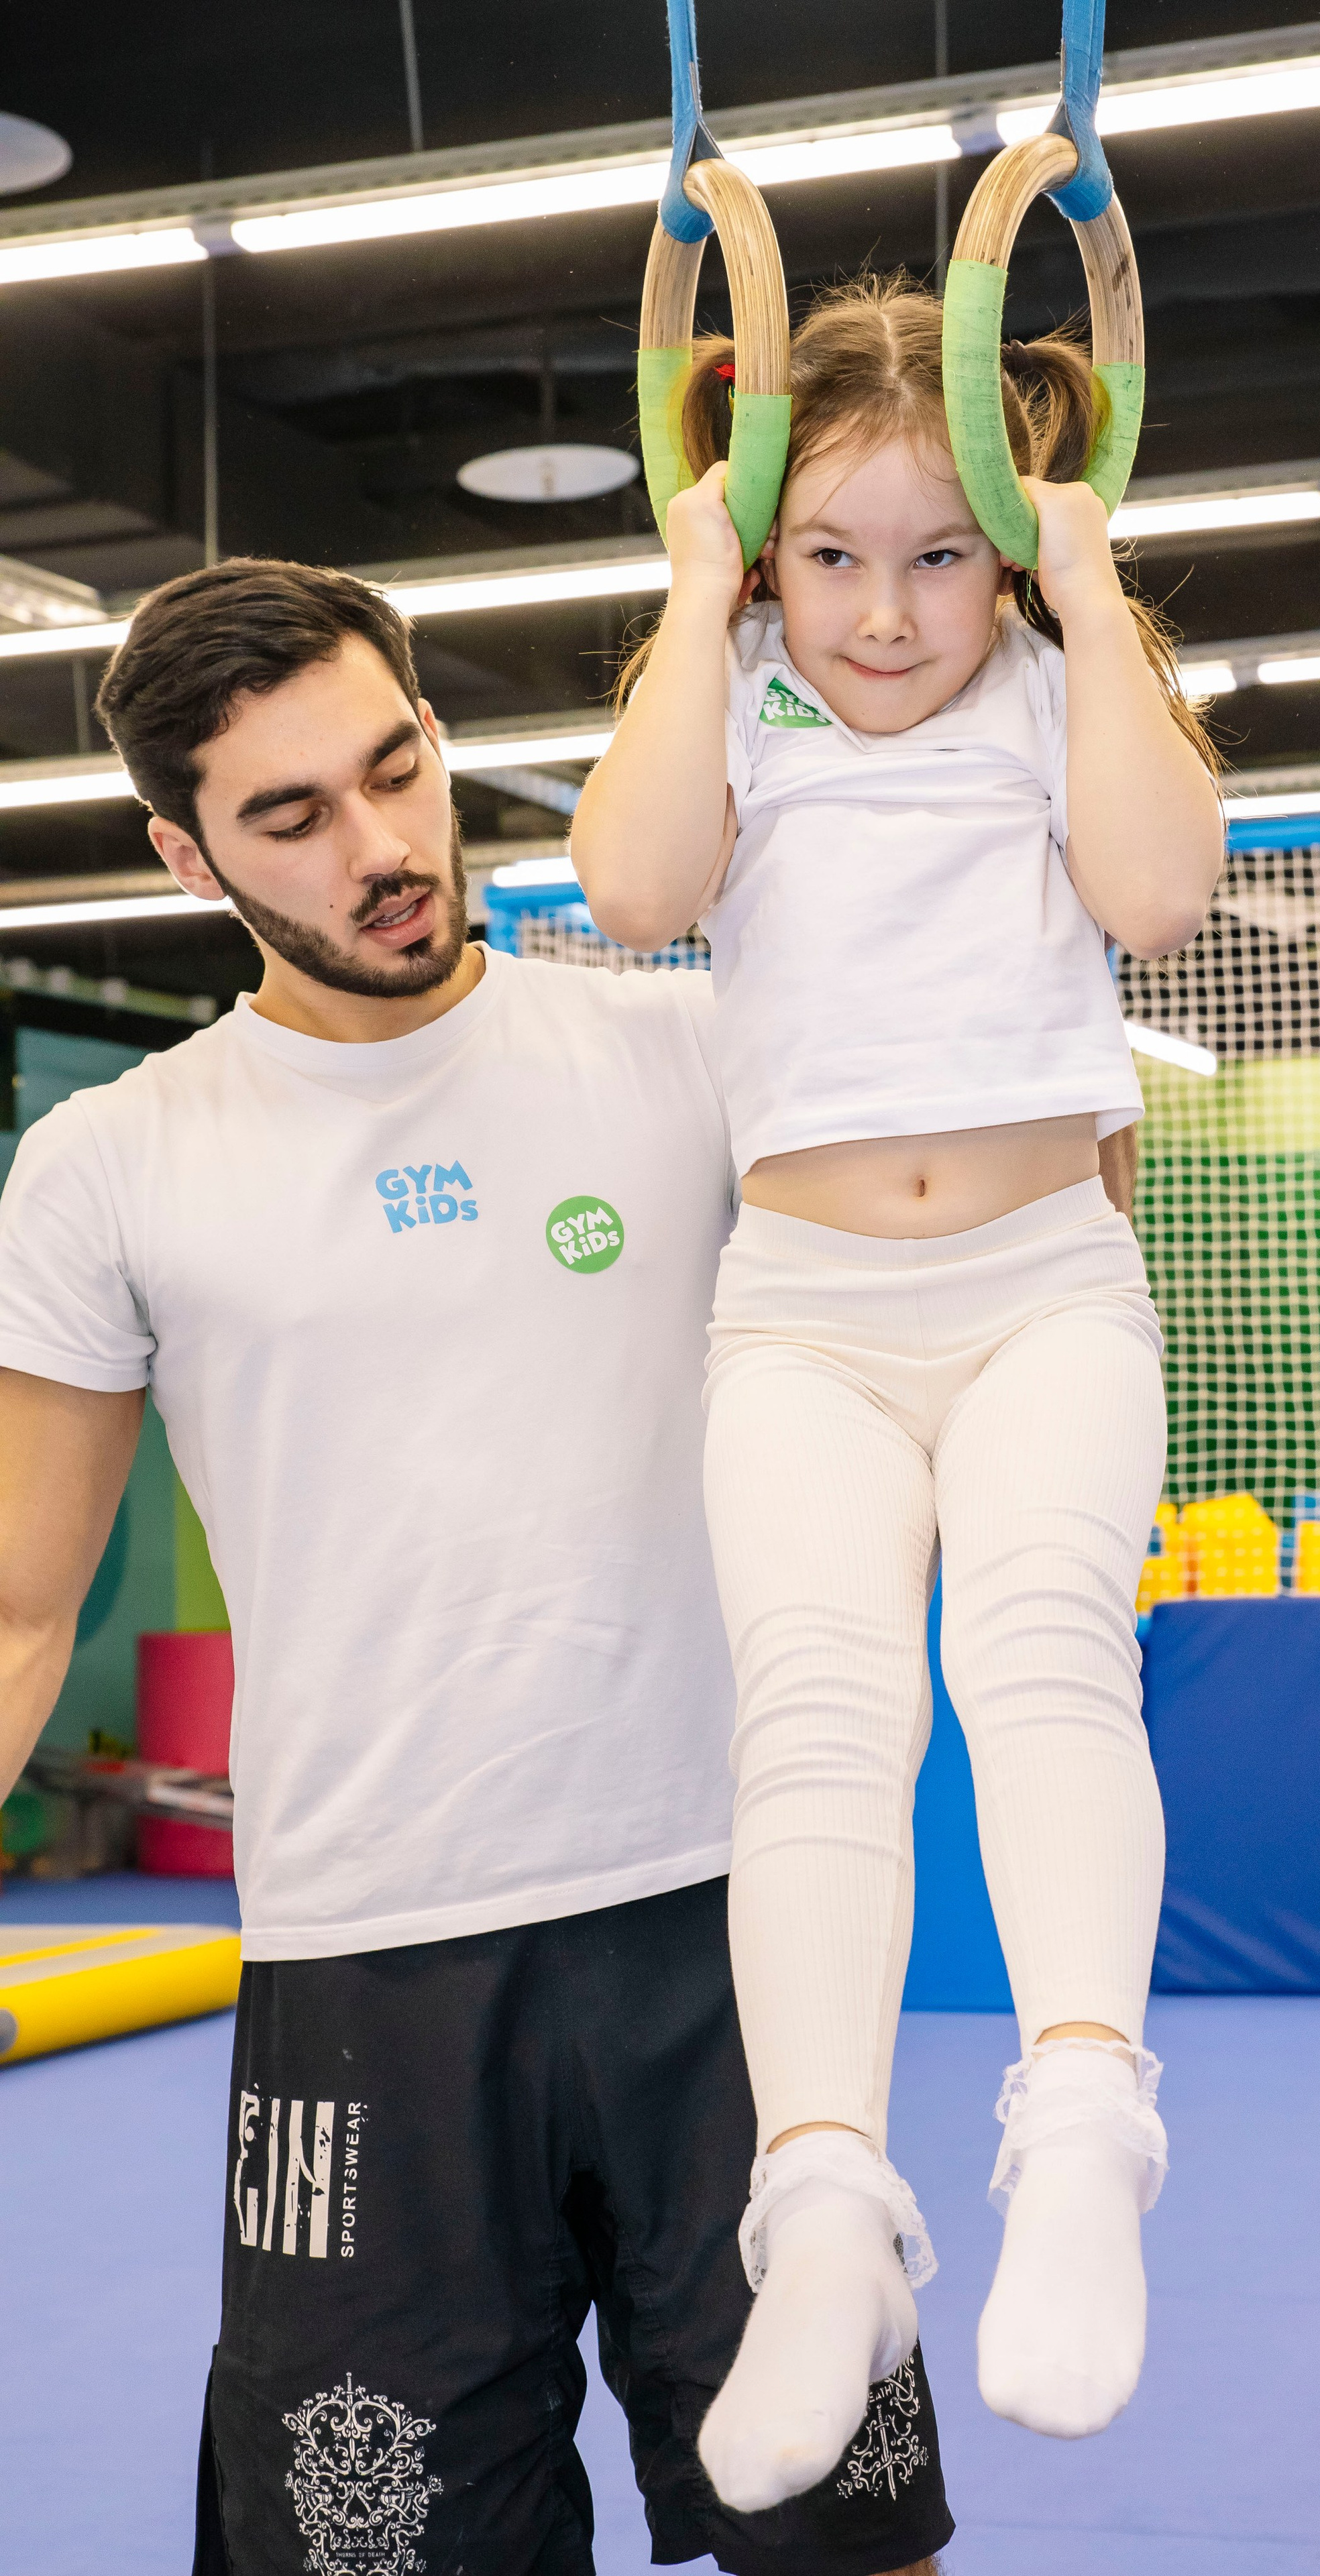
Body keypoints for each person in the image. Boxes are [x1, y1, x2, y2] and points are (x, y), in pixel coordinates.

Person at [0, 558, 952, 2576]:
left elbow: (973, 1241)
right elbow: (17, 1609)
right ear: (186, 854)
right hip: (369, 1968)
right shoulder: (115, 1163)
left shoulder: (689, 1056)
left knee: (856, 2540)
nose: (380, 846)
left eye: (395, 770)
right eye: (293, 816)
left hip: (729, 1932)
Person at [571, 280, 1225, 2513]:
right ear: (765, 557)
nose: (884, 609)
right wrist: (686, 587)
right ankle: (826, 2201)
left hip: (1047, 1282)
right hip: (807, 1313)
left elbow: (1154, 892)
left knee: (1043, 1652)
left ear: (1016, 544)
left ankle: (1078, 2119)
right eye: (830, 555)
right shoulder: (734, 696)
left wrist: (1090, 584)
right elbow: (637, 885)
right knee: (821, 1717)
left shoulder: (1057, 688)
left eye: (940, 550)